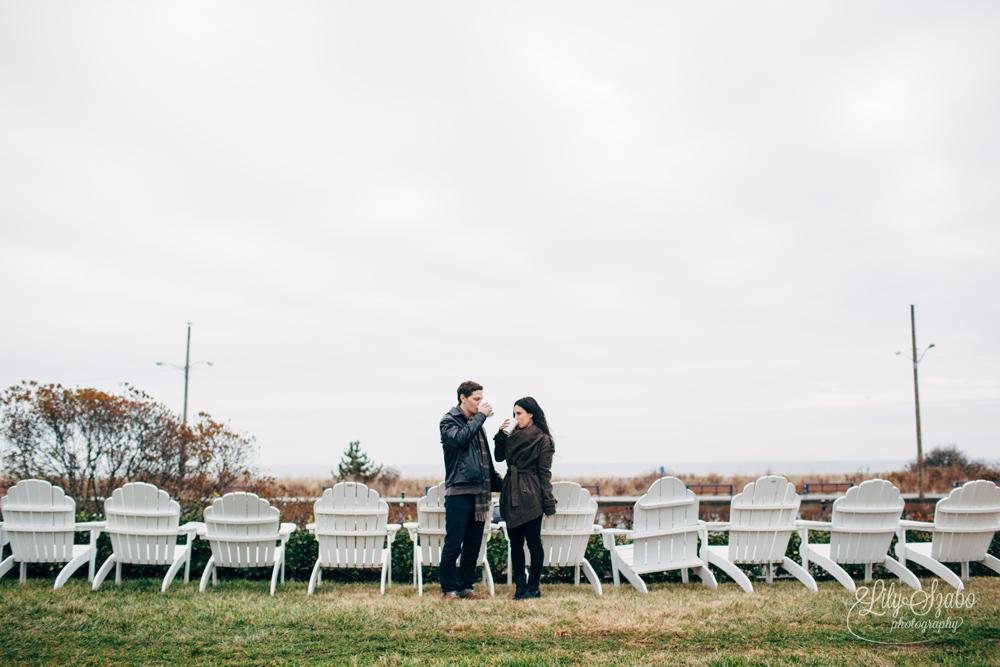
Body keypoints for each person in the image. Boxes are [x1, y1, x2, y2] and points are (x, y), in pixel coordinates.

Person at [438, 380, 501, 601]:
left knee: (473, 544)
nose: (480, 403)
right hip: (459, 490)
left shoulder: (477, 423)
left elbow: (485, 459)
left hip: (480, 491)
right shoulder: (448, 421)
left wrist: (497, 481)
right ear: (463, 398)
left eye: (481, 399)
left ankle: (466, 587)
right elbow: (460, 439)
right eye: (476, 399)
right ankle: (449, 589)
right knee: (454, 543)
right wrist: (480, 417)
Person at [494, 396, 556, 600]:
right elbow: (499, 457)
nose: (516, 417)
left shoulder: (543, 439)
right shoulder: (511, 434)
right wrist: (501, 434)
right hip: (510, 490)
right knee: (515, 543)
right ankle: (520, 586)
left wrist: (548, 503)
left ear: (531, 414)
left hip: (531, 495)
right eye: (514, 414)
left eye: (519, 413)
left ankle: (533, 587)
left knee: (534, 542)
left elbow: (544, 473)